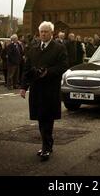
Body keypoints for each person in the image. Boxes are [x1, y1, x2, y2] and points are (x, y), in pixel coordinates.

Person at [20, 21, 67, 161]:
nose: (44, 34)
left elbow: (63, 66)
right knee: (40, 118)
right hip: (36, 89)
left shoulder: (59, 48)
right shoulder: (33, 49)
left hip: (50, 89)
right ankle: (48, 143)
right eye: (42, 32)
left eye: (46, 31)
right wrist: (23, 87)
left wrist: (48, 72)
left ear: (52, 33)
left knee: (47, 118)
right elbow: (27, 69)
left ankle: (46, 146)